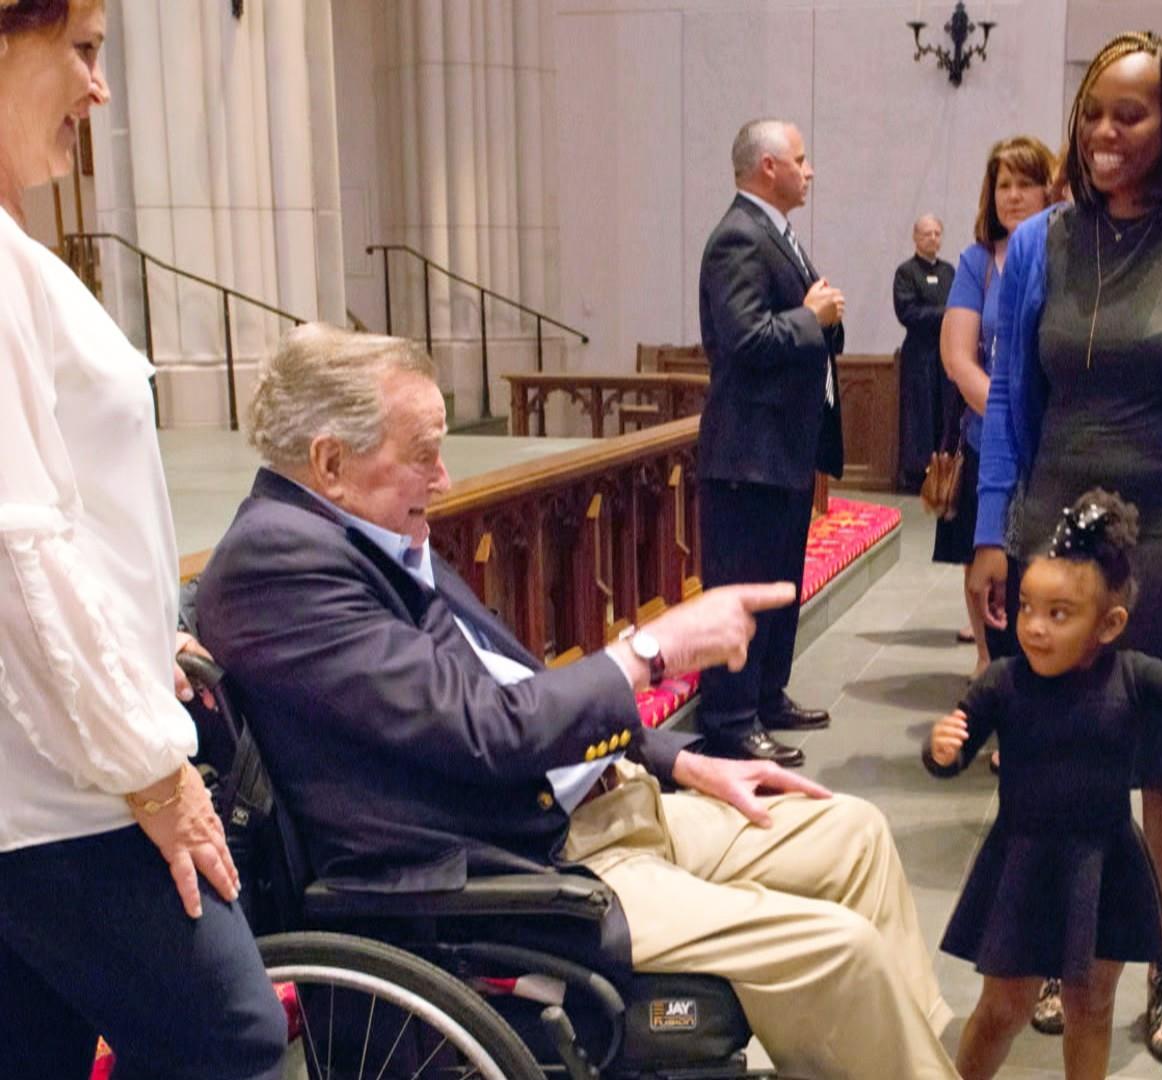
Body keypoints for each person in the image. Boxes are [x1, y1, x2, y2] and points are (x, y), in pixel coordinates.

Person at [194, 324, 960, 1080]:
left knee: (853, 832)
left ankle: (917, 1061)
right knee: (837, 948)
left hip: (587, 805)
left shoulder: (362, 529)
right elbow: (484, 729)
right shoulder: (281, 564)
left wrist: (680, 760)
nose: (445, 479)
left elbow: (509, 682)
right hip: (509, 869)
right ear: (330, 461)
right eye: (424, 453)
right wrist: (649, 652)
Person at [968, 30, 1162, 1065]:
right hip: (1052, 535)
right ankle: (1066, 953)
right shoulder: (1043, 243)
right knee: (1052, 753)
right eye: (1094, 110)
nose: (1105, 131)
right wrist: (989, 534)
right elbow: (1010, 394)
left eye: (1130, 114)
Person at [0, 4, 287, 1078]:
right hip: (64, 791)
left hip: (49, 777)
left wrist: (146, 637)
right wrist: (155, 776)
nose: (100, 89)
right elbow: (17, 552)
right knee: (235, 1039)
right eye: (83, 49)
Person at [927, 491, 1162, 1080]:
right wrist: (943, 749)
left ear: (1110, 624)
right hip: (1022, 862)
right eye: (1026, 608)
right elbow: (955, 744)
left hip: (1104, 865)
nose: (1035, 628)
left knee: (1090, 1006)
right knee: (1003, 1006)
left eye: (1059, 614)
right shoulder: (1003, 683)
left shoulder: (1134, 677)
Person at [693, 117, 844, 768]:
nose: (810, 171)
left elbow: (813, 325)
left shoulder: (776, 233)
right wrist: (812, 318)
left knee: (781, 584)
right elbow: (744, 340)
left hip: (782, 448)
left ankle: (767, 693)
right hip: (746, 454)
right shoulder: (737, 238)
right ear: (768, 168)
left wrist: (819, 320)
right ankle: (729, 716)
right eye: (801, 160)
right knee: (745, 590)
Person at [938, 135, 1059, 674]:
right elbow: (960, 358)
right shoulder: (977, 261)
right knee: (987, 563)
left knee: (1046, 570)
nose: (1013, 195)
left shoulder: (1065, 253)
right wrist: (1011, 413)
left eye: (1026, 183)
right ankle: (992, 671)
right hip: (987, 433)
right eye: (1003, 184)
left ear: (1050, 188)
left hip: (1055, 442)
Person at [895, 213, 956, 490]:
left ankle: (945, 471)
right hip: (919, 355)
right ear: (915, 238)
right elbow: (907, 312)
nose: (932, 238)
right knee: (920, 415)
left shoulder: (949, 272)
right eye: (926, 233)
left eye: (936, 233)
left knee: (945, 412)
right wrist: (943, 314)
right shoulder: (906, 272)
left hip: (946, 352)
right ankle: (918, 474)